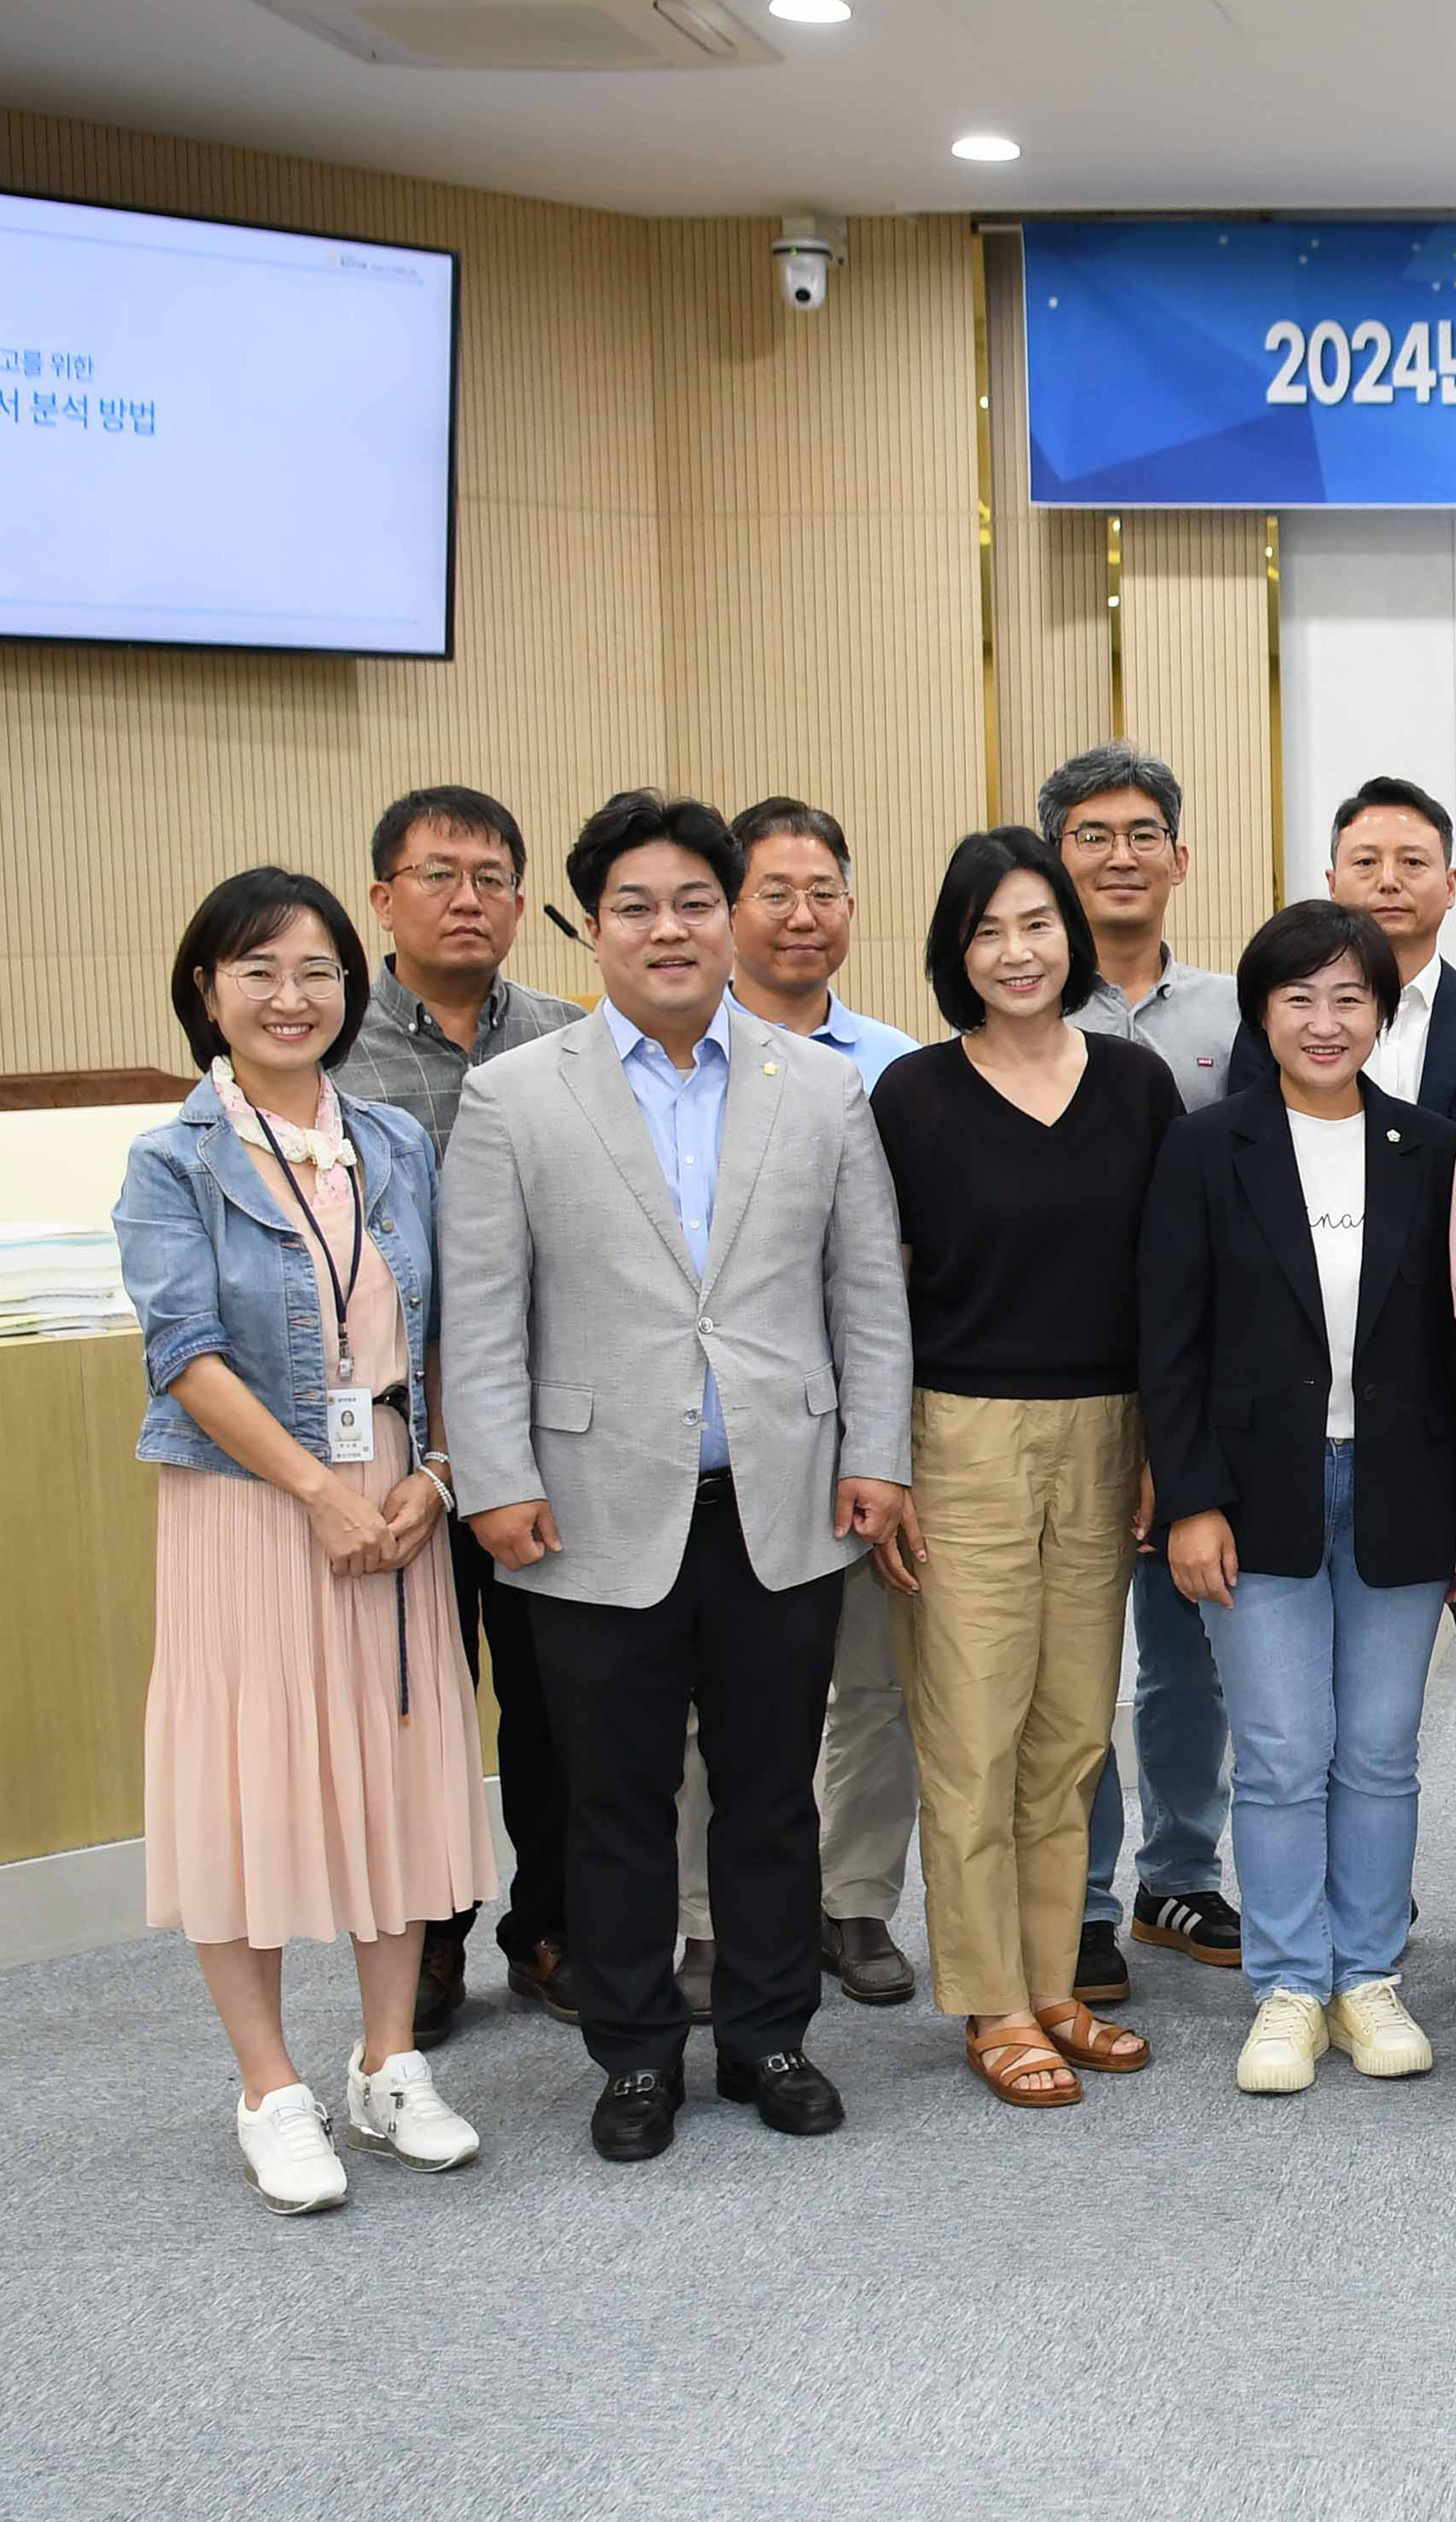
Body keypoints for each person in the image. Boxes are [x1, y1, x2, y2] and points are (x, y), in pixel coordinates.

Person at [439, 791, 915, 2164]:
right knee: (617, 1796)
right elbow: (484, 1311)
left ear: (730, 918)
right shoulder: (515, 1095)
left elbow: (863, 1290)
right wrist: (494, 1478)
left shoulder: (819, 1082)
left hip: (781, 1497)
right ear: (591, 927)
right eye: (634, 906)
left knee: (772, 1791)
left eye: (693, 903)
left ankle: (770, 2034)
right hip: (587, 1508)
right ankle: (636, 2053)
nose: (668, 928)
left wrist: (876, 1453)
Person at [119, 869, 494, 2211]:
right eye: (259, 970)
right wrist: (315, 1490)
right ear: (207, 992)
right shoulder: (173, 1158)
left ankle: (388, 2058)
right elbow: (185, 1353)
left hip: (396, 1495)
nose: (292, 997)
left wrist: (436, 1475)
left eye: (319, 971)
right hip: (249, 1507)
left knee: (396, 1763)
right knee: (251, 1783)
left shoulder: (393, 1140)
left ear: (352, 988)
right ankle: (269, 2085)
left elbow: (448, 1329)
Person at [1140, 900, 1456, 2097]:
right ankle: (1290, 1982)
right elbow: (1167, 1344)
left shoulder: (1436, 1149)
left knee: (1380, 1753)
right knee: (1283, 1754)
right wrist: (1187, 1500)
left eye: (1350, 998)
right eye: (1299, 997)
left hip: (1402, 1488)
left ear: (1383, 1012)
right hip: (1251, 1494)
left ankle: (1366, 1978)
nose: (1325, 1021)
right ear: (1261, 1011)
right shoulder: (1204, 1148)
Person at [871, 830, 1178, 2105]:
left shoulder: (1135, 1084)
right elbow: (869, 1297)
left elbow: (1169, 1282)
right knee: (972, 1735)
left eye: (1036, 923)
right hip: (961, 1440)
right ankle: (991, 1998)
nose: (1017, 951)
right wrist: (880, 1460)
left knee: (1068, 1737)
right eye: (988, 929)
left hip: (1107, 1433)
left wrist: (1166, 1441)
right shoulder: (912, 1095)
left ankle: (1055, 1978)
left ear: (1070, 937)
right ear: (956, 949)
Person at [658, 796, 927, 2020]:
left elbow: (896, 1270)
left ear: (853, 910)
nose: (801, 915)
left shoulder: (896, 1067)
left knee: (871, 1682)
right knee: (720, 1701)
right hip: (720, 1432)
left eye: (824, 892)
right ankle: (710, 1918)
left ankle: (854, 1894)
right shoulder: (675, 1065)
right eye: (773, 891)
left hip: (866, 1422)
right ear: (724, 909)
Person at [329, 785, 584, 2044]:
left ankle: (550, 1926)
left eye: (491, 875)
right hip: (389, 1440)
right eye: (438, 874)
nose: (467, 896)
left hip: (544, 1429)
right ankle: (426, 1938)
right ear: (383, 898)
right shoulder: (330, 1043)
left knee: (549, 1698)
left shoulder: (570, 1038)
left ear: (524, 903)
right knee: (416, 1698)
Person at [1055, 741, 1248, 1994]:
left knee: (1191, 1657)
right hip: (1058, 1388)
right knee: (1069, 1657)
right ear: (1054, 858)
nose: (1118, 856)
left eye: (1142, 834)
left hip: (1205, 1390)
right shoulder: (1016, 1004)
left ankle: (1179, 1875)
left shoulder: (1242, 1011)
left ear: (1180, 857)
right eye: (1090, 835)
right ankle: (1073, 1895)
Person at [1226, 775, 1456, 1131]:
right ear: (1333, 884)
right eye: (1366, 863)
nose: (1389, 880)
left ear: (1451, 886)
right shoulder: (1282, 1017)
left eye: (1412, 862)